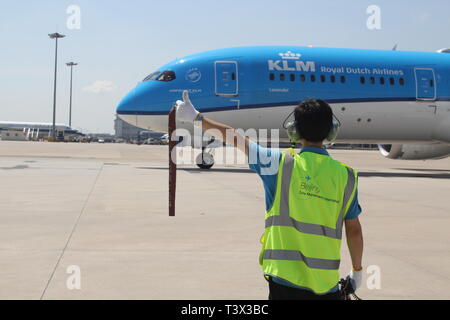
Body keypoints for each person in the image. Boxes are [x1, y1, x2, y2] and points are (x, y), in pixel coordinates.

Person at [176, 91, 364, 300]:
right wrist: (357, 271)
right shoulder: (346, 175)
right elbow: (354, 230)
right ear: (332, 131)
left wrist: (196, 118)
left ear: (294, 130)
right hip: (326, 285)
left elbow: (235, 137)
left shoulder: (279, 164)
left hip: (284, 283)